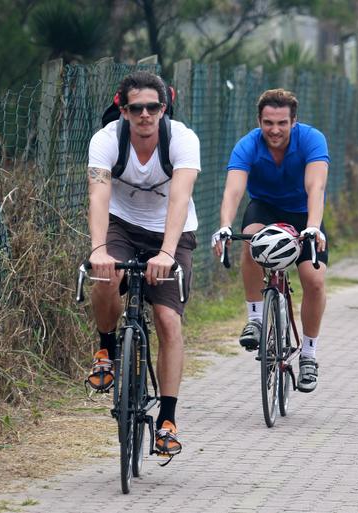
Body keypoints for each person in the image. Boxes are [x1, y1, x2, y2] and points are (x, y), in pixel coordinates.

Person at [85, 70, 201, 456]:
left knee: (168, 320)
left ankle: (167, 420)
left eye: (154, 107)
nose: (146, 115)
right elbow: (99, 196)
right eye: (137, 108)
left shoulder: (182, 139)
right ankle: (106, 350)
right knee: (104, 275)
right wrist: (99, 249)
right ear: (123, 109)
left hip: (172, 230)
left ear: (164, 108)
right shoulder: (106, 140)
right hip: (121, 224)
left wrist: (167, 253)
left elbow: (180, 198)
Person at [211, 89, 329, 393]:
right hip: (265, 207)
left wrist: (313, 228)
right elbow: (234, 190)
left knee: (313, 279)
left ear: (294, 121)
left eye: (282, 123)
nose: (274, 130)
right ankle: (256, 318)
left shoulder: (312, 140)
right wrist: (225, 226)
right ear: (258, 121)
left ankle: (309, 355)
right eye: (268, 123)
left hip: (304, 213)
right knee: (251, 244)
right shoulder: (247, 145)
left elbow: (316, 187)